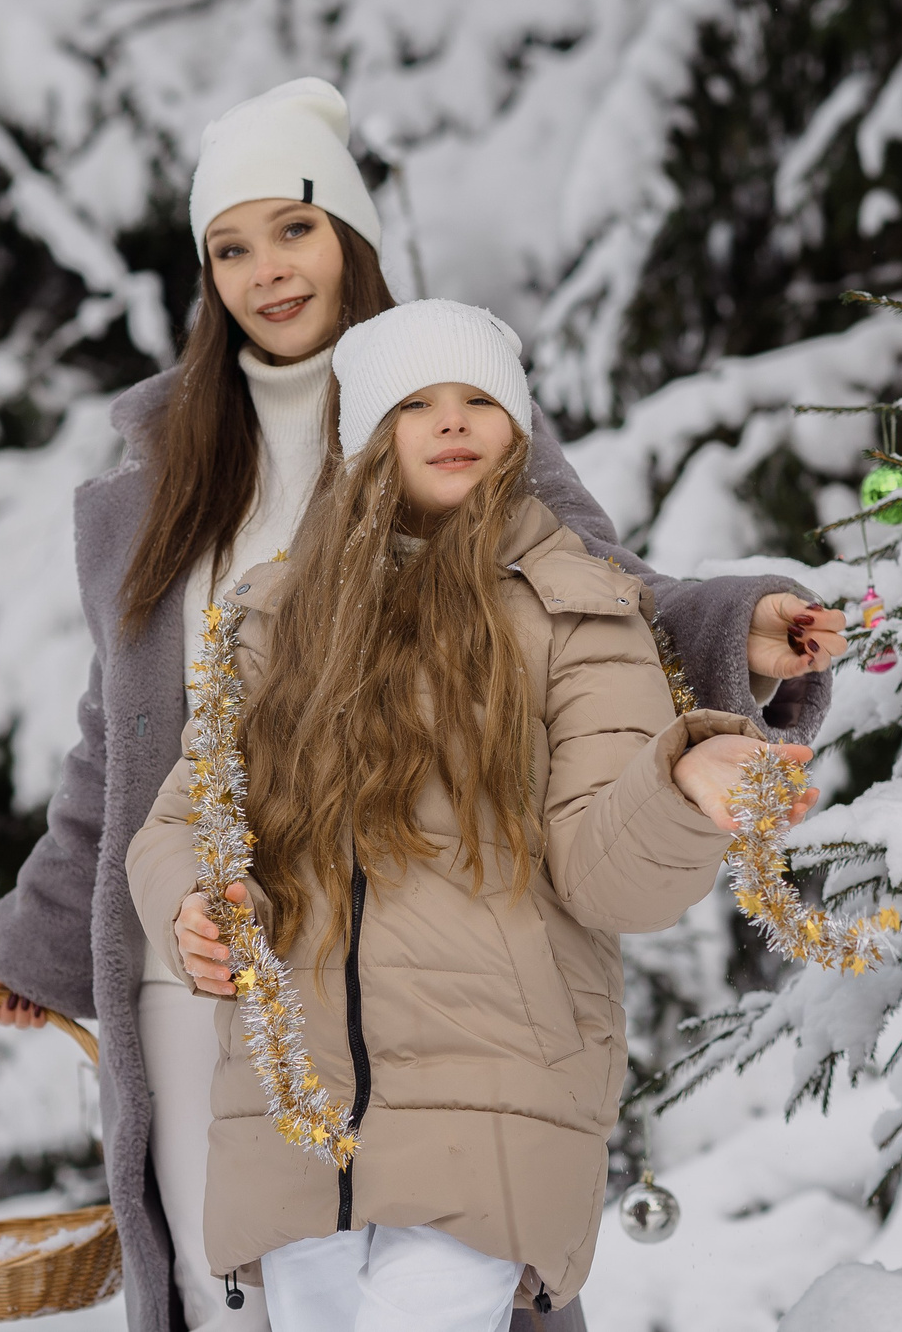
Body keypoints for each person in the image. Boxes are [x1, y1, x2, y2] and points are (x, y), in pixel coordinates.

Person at [0, 78, 848, 1332]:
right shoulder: (154, 482)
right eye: (231, 246)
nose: (267, 271)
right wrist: (42, 950)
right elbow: (126, 744)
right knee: (238, 1303)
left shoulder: (450, 405)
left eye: (297, 230)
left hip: (437, 996)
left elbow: (601, 612)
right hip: (199, 968)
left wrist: (735, 630)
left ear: (353, 237)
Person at [127, 299, 820, 1332]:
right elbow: (187, 815)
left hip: (496, 1096)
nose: (452, 422)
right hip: (297, 1107)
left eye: (478, 401)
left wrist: (678, 788)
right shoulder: (275, 619)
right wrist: (190, 902)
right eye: (416, 404)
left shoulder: (580, 614)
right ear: (366, 438)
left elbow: (606, 875)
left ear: (518, 432)